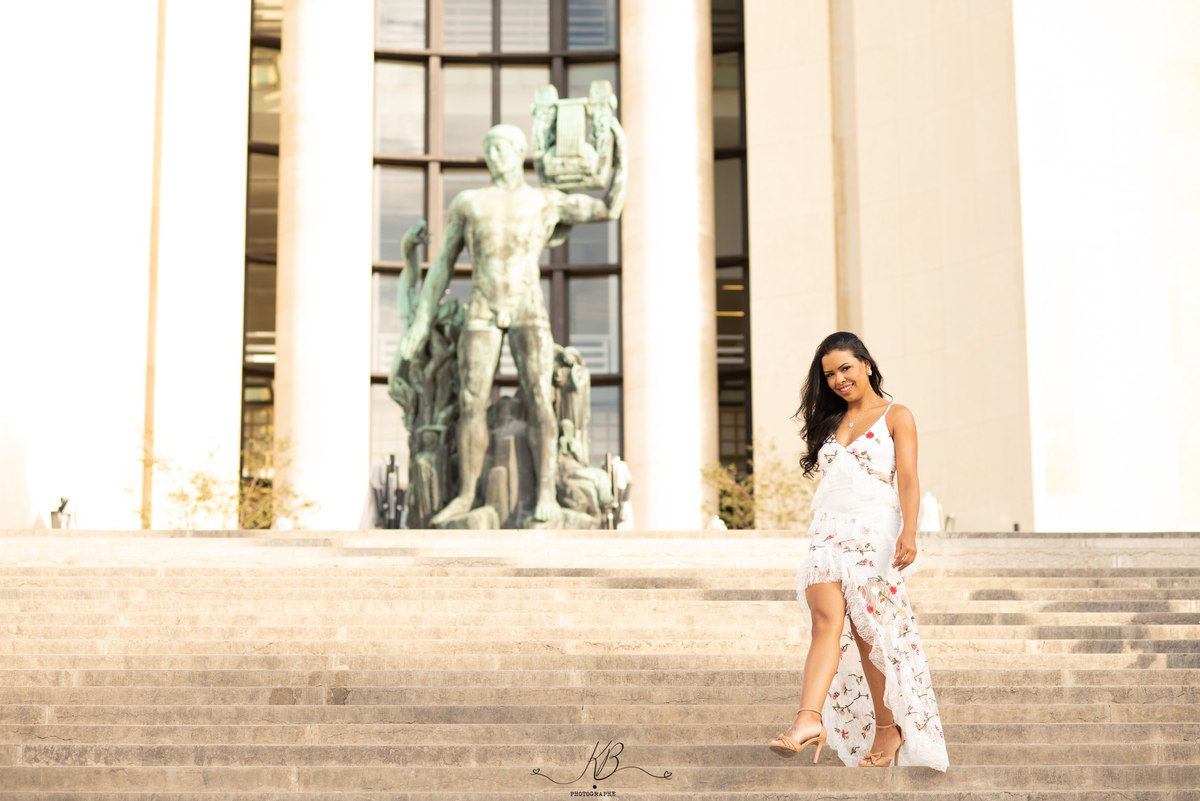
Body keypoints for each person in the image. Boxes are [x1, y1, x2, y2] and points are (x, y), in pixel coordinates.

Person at [395, 122, 626, 525]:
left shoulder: (544, 200)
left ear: (520, 153)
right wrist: (420, 323)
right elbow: (443, 264)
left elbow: (608, 207)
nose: (495, 155)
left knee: (539, 398)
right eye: (490, 148)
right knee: (471, 402)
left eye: (502, 147)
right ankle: (467, 495)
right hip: (483, 305)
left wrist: (619, 153)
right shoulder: (469, 203)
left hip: (526, 305)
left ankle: (546, 494)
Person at [768, 331, 948, 771]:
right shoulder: (830, 423)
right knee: (824, 621)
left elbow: (908, 478)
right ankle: (808, 720)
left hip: (875, 530)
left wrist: (910, 531)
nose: (838, 379)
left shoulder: (896, 415)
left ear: (866, 364)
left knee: (870, 634)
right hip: (828, 530)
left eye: (845, 368)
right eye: (829, 374)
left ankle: (889, 729)